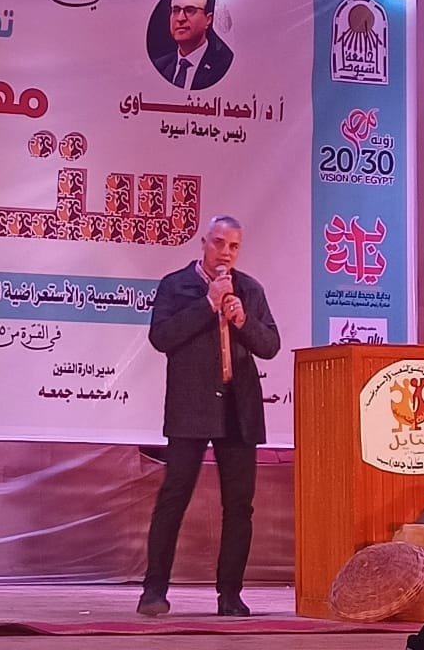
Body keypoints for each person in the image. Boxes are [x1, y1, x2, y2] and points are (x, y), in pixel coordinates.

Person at [137, 215, 280, 618]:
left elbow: (270, 345)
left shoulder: (249, 290)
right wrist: (208, 305)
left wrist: (242, 319)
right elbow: (161, 337)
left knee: (239, 506)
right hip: (191, 407)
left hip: (239, 409)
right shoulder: (176, 286)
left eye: (233, 246)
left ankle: (230, 595)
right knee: (174, 497)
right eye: (218, 243)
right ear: (203, 243)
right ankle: (154, 591)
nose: (225, 253)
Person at [153, 0, 234, 90]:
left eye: (190, 10)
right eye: (176, 10)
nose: (180, 18)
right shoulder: (160, 66)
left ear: (208, 19)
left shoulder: (224, 66)